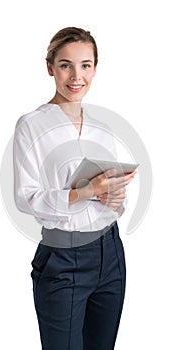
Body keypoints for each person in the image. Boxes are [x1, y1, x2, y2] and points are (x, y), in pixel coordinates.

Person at [13, 27, 136, 350]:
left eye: (85, 65)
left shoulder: (101, 127)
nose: (76, 76)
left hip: (111, 255)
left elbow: (111, 202)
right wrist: (85, 191)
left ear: (95, 68)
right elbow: (26, 198)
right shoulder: (32, 125)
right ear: (50, 67)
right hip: (64, 259)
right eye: (66, 65)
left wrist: (113, 194)